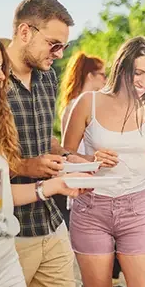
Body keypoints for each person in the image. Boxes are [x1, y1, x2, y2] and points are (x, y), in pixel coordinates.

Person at [0, 16, 87, 287]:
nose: (0, 76)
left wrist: (56, 181)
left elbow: (1, 190)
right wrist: (26, 166)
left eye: (2, 68)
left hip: (9, 248)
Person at [63, 36, 145, 287]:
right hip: (91, 208)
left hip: (137, 208)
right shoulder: (88, 102)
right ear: (122, 68)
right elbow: (66, 154)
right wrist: (89, 161)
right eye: (138, 72)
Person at [5, 0, 87, 287]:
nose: (60, 54)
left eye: (64, 45)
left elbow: (44, 138)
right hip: (8, 232)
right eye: (54, 44)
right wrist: (26, 166)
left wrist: (69, 156)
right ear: (25, 32)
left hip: (50, 223)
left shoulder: (48, 77)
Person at [57, 51, 106, 228]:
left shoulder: (86, 104)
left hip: (92, 180)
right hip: (86, 182)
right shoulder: (77, 106)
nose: (106, 80)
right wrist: (94, 161)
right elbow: (67, 150)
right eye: (103, 75)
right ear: (90, 76)